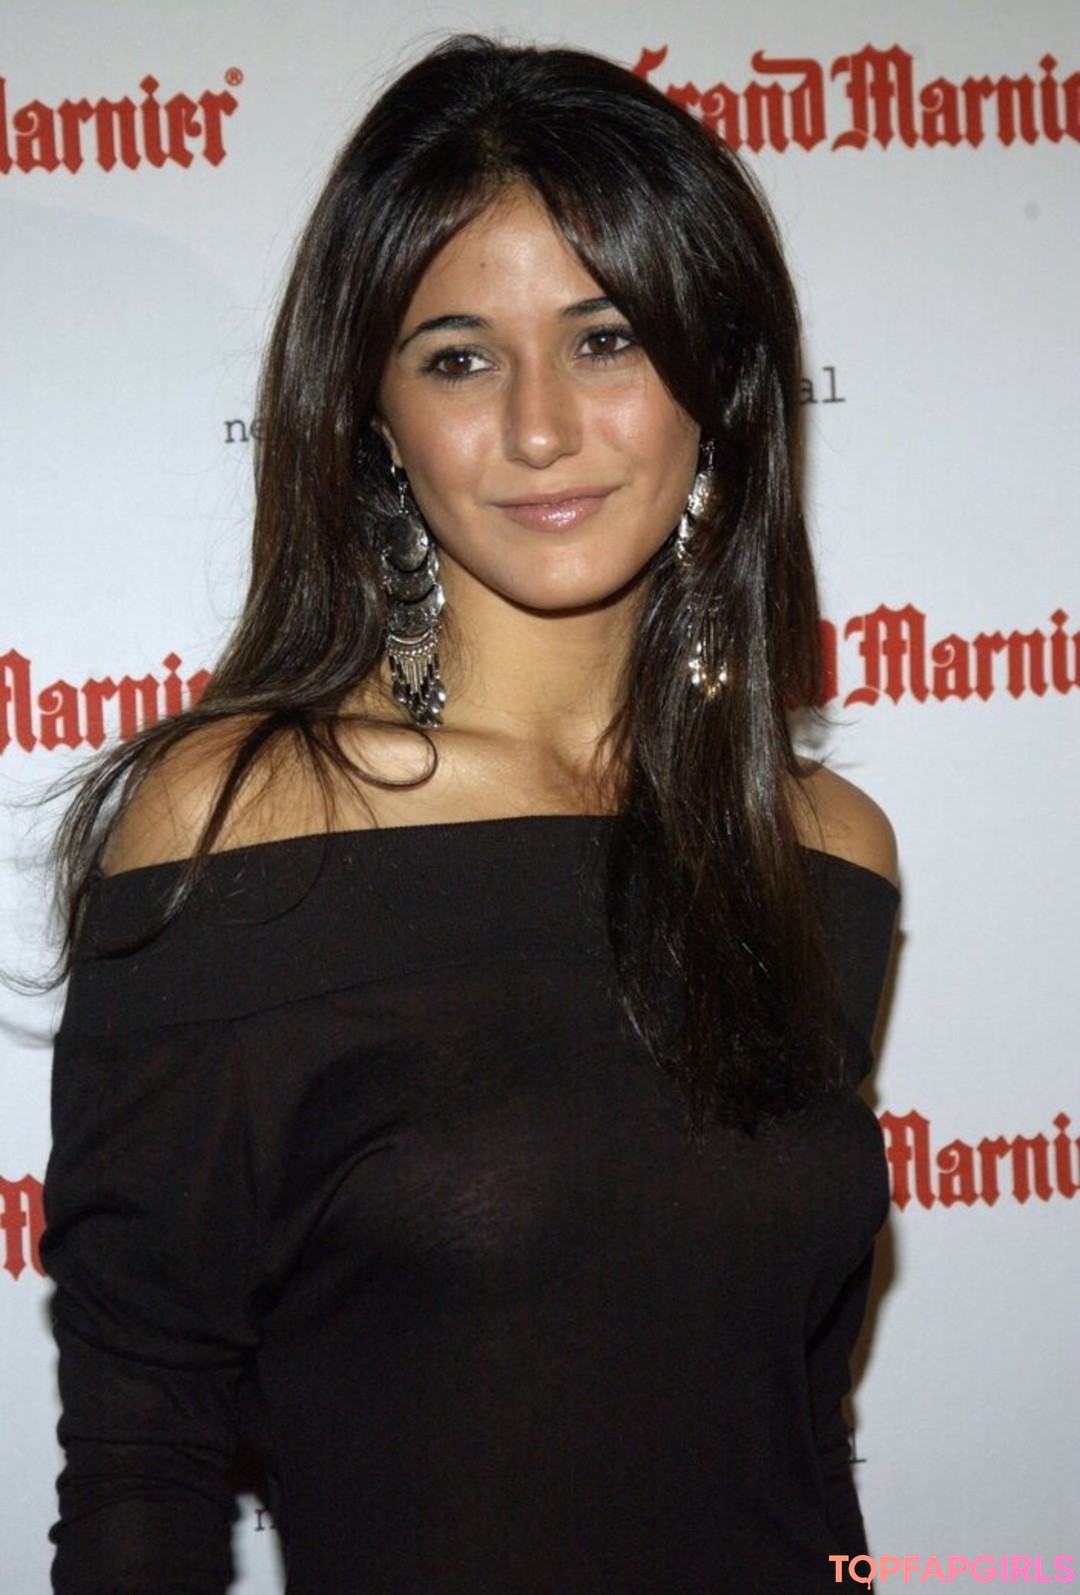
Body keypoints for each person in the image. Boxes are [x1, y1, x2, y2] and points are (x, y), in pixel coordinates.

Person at [41, 34, 899, 1595]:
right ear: (373, 414)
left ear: (721, 382)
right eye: (458, 358)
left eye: (607, 339)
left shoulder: (822, 849)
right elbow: (143, 1466)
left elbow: (802, 1440)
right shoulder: (242, 833)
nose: (541, 428)